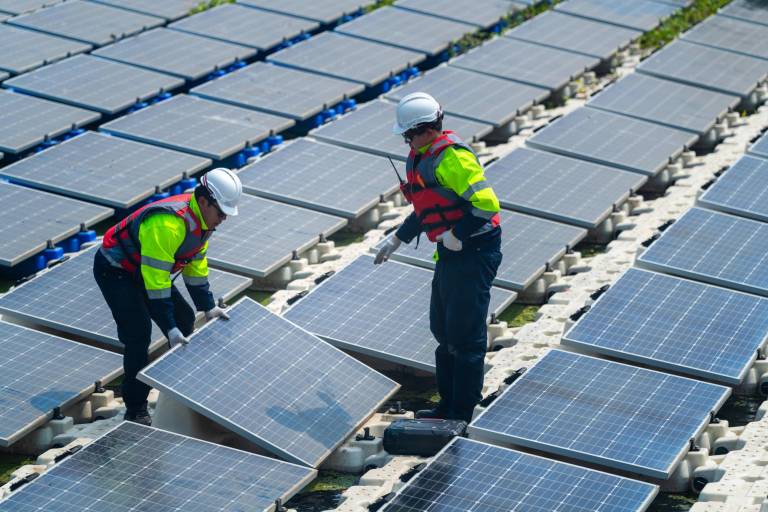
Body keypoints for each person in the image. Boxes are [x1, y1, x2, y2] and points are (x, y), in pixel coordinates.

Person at [375, 92, 502, 423]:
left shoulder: (454, 160)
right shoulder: (420, 157)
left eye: (409, 134)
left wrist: (457, 235)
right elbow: (427, 206)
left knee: (465, 334)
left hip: (474, 250)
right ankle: (446, 404)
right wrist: (397, 239)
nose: (407, 141)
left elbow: (487, 205)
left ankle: (461, 410)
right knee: (443, 328)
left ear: (427, 129)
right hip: (450, 251)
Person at [93, 168, 242, 426]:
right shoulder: (168, 224)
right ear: (205, 201)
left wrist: (207, 307)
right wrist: (168, 327)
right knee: (138, 334)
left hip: (149, 270)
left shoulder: (203, 223)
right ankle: (136, 408)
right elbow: (156, 283)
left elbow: (195, 267)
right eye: (221, 213)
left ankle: (180, 390)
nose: (223, 219)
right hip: (118, 269)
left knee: (186, 322)